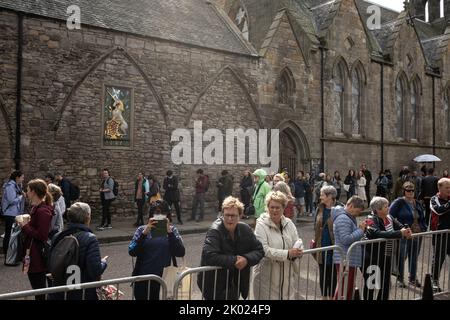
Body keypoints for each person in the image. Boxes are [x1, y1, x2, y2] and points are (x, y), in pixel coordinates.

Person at [197, 197, 263, 300]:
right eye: (227, 215)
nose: (230, 219)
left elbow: (259, 250)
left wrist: (246, 259)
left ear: (240, 216)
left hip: (234, 285)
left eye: (233, 216)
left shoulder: (245, 229)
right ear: (222, 214)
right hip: (214, 285)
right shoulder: (215, 230)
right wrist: (235, 260)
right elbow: (208, 255)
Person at [49, 202, 107, 300]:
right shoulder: (90, 239)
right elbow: (95, 271)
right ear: (87, 218)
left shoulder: (57, 236)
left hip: (59, 291)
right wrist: (103, 263)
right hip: (82, 293)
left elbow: (50, 263)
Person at [129, 200, 185, 300]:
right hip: (143, 279)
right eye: (157, 213)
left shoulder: (172, 230)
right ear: (151, 214)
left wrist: (170, 233)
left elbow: (180, 252)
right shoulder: (142, 230)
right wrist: (144, 233)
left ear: (167, 215)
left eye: (163, 213)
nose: (160, 216)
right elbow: (132, 251)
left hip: (164, 279)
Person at [253, 191, 304, 300]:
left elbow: (297, 240)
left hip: (286, 277)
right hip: (267, 277)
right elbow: (264, 250)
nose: (274, 210)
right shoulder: (261, 225)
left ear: (283, 208)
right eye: (272, 207)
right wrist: (287, 253)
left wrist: (299, 250)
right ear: (267, 207)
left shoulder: (289, 223)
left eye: (278, 207)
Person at [362, 197, 411, 300]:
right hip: (373, 258)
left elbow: (400, 226)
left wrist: (406, 230)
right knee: (371, 285)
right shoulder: (370, 219)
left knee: (385, 284)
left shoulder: (389, 217)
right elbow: (376, 233)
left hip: (386, 256)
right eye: (385, 207)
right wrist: (399, 233)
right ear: (378, 210)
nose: (388, 208)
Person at [17, 179, 53, 300]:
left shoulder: (43, 211)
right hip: (31, 253)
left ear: (33, 192)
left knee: (39, 289)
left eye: (27, 190)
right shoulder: (35, 208)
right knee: (37, 288)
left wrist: (25, 226)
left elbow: (42, 235)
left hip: (37, 256)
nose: (26, 192)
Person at [389, 181, 426, 288]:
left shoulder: (417, 203)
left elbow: (422, 218)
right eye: (408, 190)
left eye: (412, 190)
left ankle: (413, 278)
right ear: (404, 191)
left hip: (417, 234)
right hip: (404, 234)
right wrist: (400, 228)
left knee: (414, 257)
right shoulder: (399, 202)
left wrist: (423, 227)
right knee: (401, 256)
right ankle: (400, 279)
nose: (410, 192)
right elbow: (390, 217)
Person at [332, 196, 366, 300]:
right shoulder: (343, 218)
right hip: (345, 259)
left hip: (347, 259)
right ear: (351, 206)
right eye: (357, 211)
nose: (357, 214)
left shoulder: (347, 217)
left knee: (347, 288)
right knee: (344, 289)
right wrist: (360, 230)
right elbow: (345, 239)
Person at [313, 185, 340, 299]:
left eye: (322, 195)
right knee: (323, 274)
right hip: (321, 245)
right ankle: (324, 297)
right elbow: (316, 226)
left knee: (333, 274)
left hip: (335, 247)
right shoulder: (320, 208)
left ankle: (332, 297)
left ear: (330, 196)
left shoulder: (340, 209)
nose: (320, 197)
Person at [430, 178, 450, 292]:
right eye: (447, 187)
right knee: (438, 259)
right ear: (440, 188)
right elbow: (438, 210)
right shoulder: (434, 199)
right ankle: (434, 281)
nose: (449, 189)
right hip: (440, 234)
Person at [2, 170, 25, 261]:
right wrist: (21, 196)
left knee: (14, 235)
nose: (23, 179)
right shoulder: (10, 186)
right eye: (22, 177)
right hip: (10, 214)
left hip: (14, 213)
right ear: (17, 177)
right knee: (9, 234)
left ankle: (13, 255)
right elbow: (12, 200)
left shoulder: (16, 186)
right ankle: (7, 255)